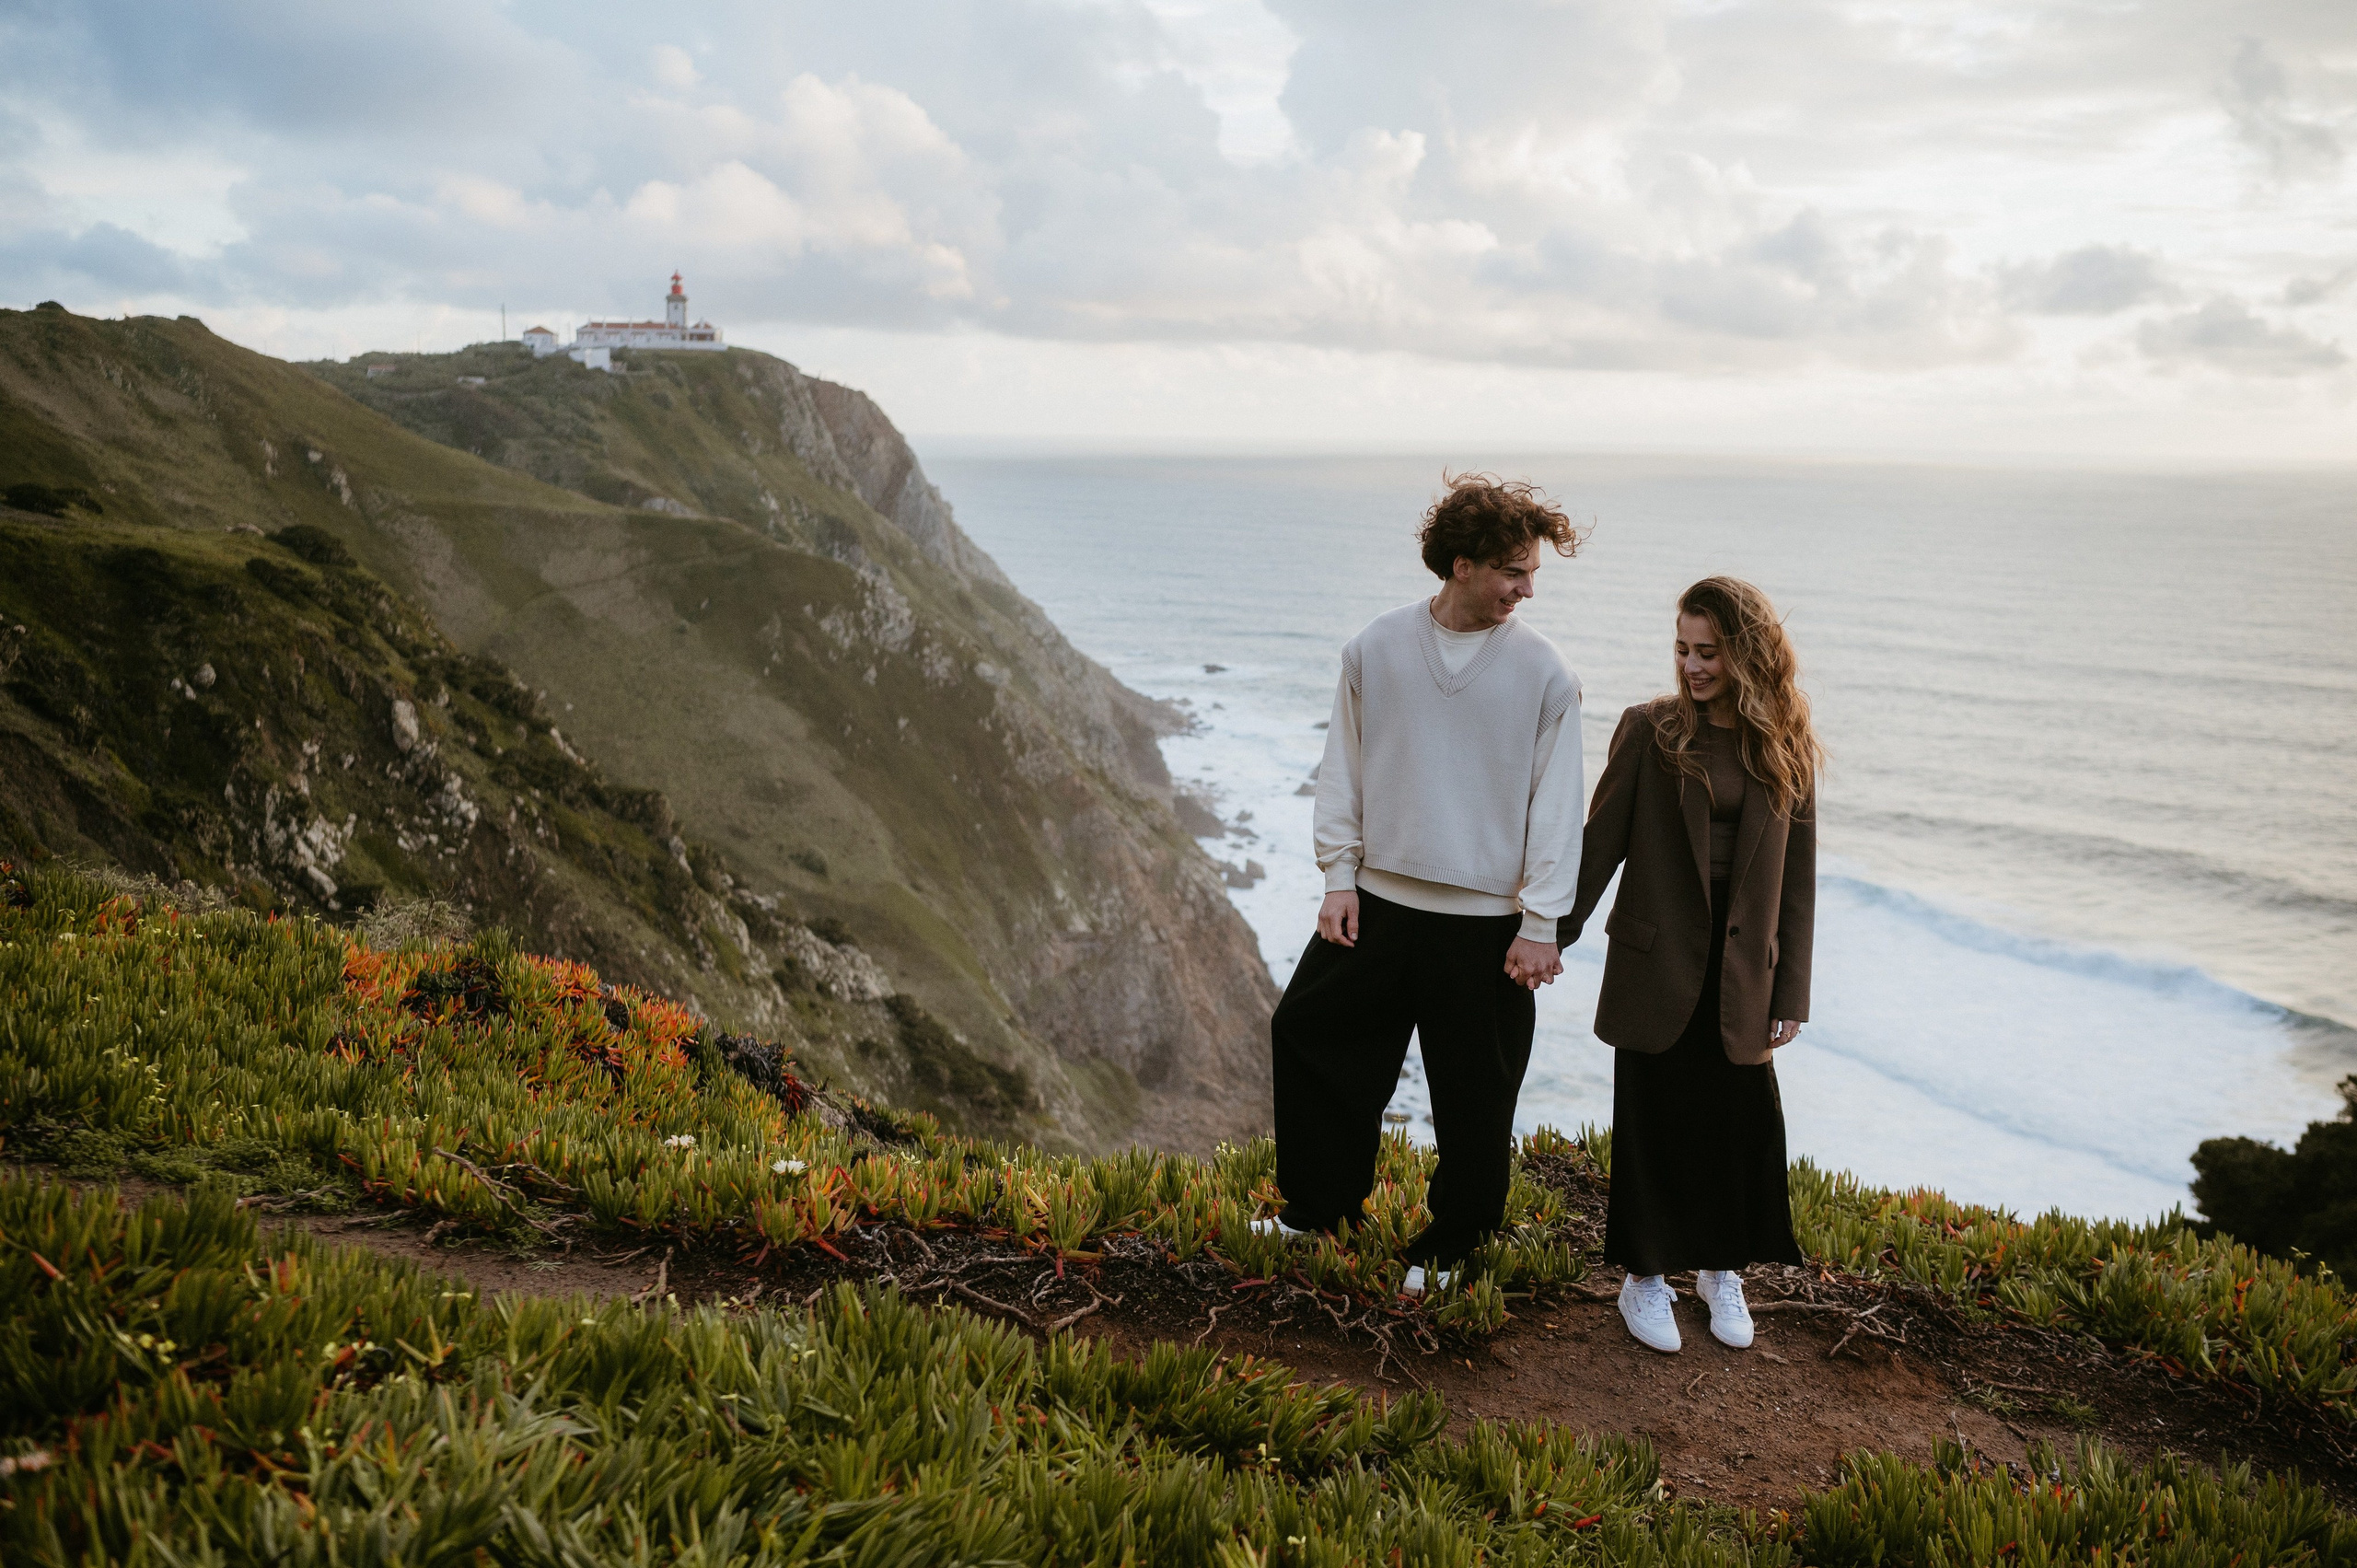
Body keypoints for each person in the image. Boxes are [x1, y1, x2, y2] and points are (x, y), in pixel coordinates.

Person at [1261, 474, 1585, 1296]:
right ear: (1462, 563)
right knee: (1309, 1033)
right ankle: (1319, 1210)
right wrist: (1339, 876)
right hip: (1375, 905)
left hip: (1484, 925)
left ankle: (1453, 1246)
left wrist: (1541, 921)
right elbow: (1343, 766)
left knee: (1477, 1093)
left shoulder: (1547, 673)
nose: (1528, 589)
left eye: (1533, 572)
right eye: (1514, 571)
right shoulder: (1375, 647)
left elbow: (1558, 807)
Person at [1562, 576, 1821, 1353]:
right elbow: (1599, 844)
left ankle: (1719, 1269)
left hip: (1745, 969)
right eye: (1682, 648)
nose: (1692, 665)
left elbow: (1798, 880)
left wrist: (1792, 988)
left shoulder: (1785, 741)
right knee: (1653, 1118)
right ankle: (1643, 1277)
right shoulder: (1650, 730)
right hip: (1657, 960)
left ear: (1747, 653)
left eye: (1708, 651)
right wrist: (1545, 935)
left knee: (1737, 1121)